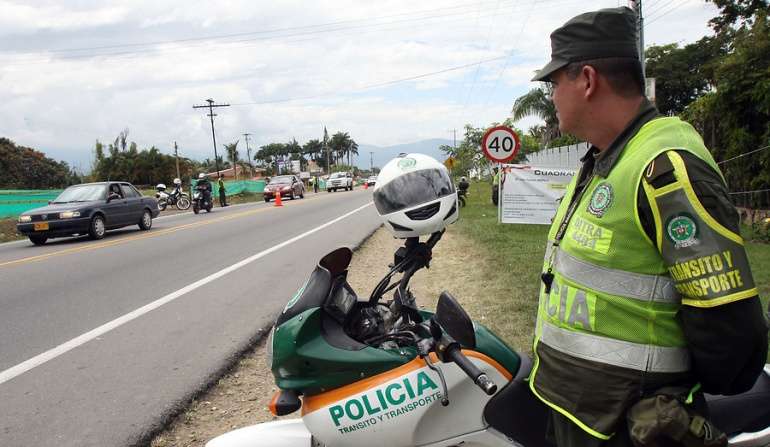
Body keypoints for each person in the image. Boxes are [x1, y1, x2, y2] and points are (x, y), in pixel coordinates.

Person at [529, 7, 767, 447]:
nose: (551, 97)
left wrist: (667, 397)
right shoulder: (605, 157)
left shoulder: (665, 167)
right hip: (581, 415)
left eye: (553, 83)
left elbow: (731, 329)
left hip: (634, 426)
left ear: (586, 79)